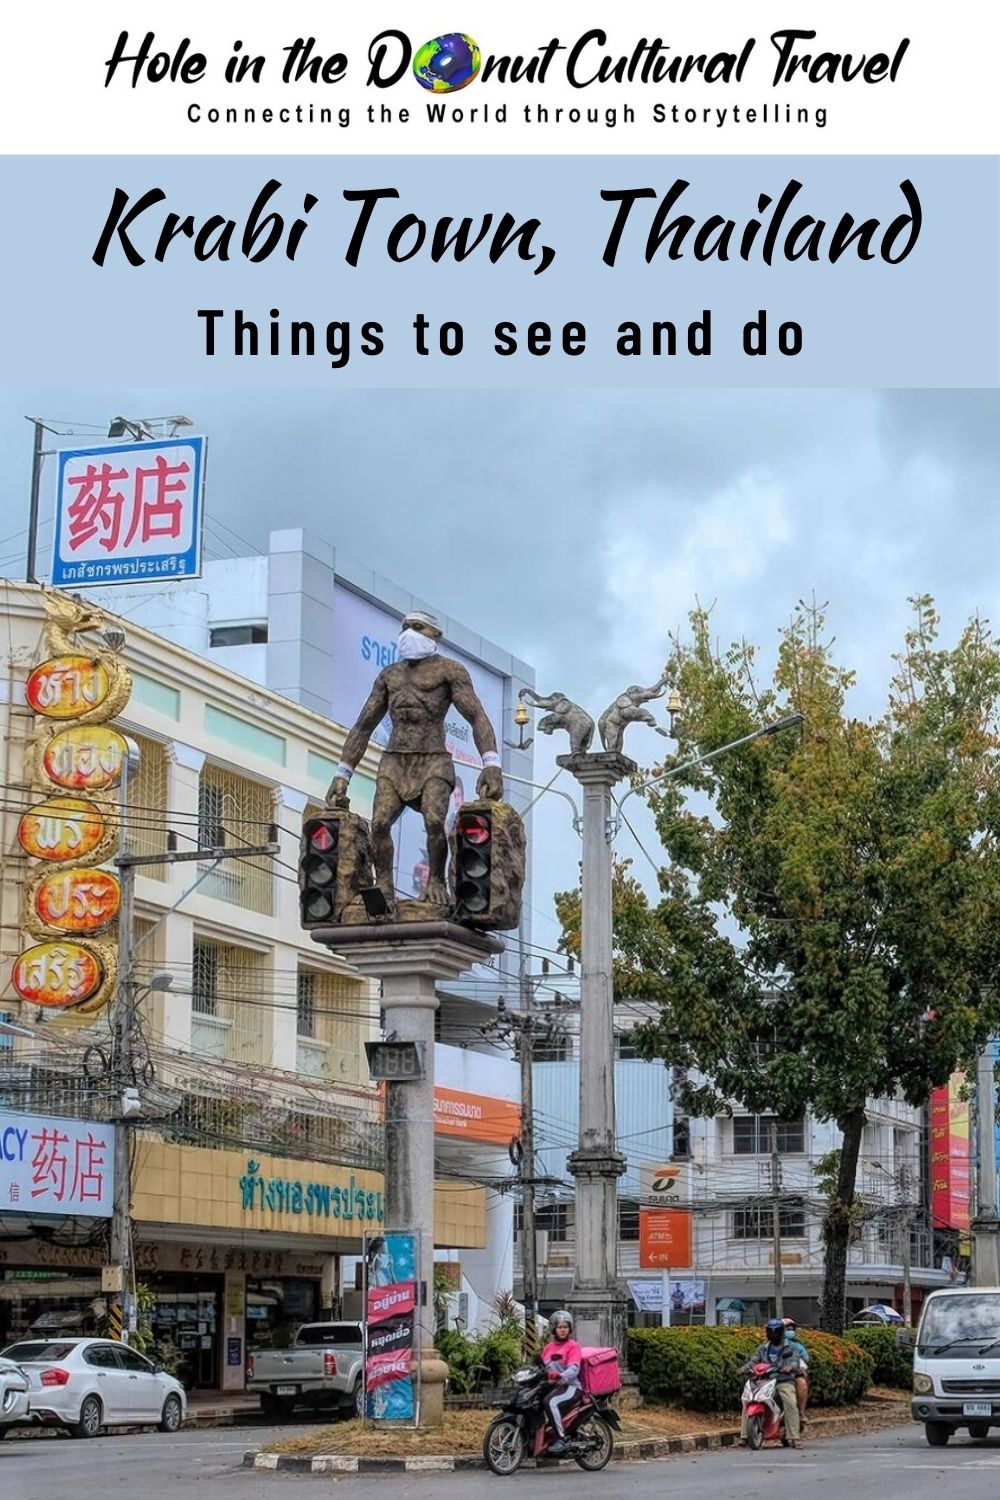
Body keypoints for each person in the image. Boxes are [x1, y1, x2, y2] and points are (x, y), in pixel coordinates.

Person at [327, 611, 502, 913]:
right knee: (379, 823)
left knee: (434, 822)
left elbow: (476, 716)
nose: (408, 632)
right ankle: (384, 884)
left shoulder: (450, 672)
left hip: (433, 760)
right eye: (405, 627)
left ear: (435, 635)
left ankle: (436, 880)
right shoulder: (389, 677)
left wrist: (491, 764)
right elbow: (363, 726)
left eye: (417, 627)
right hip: (395, 761)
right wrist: (343, 774)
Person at [740, 1317, 803, 1448]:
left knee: (790, 1402)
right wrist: (744, 1368)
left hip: (782, 1380)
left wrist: (790, 1367)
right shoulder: (763, 1347)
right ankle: (745, 1436)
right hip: (763, 1380)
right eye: (770, 1331)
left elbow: (795, 1360)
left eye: (776, 1331)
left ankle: (794, 1437)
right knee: (747, 1400)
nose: (773, 1334)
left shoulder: (790, 1346)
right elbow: (754, 1361)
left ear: (781, 1332)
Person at [540, 1310, 583, 1456]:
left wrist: (560, 1376)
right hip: (553, 1386)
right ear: (554, 1329)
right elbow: (541, 1368)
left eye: (565, 1327)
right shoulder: (547, 1348)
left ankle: (561, 1438)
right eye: (560, 1327)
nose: (563, 1330)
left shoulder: (573, 1346)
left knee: (550, 1402)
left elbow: (574, 1369)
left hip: (571, 1387)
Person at [783, 1316, 810, 1426]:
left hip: (792, 1375)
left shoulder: (797, 1345)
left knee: (802, 1384)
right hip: (773, 1375)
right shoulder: (770, 1344)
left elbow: (805, 1359)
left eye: (791, 1329)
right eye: (786, 1329)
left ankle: (801, 1413)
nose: (789, 1331)